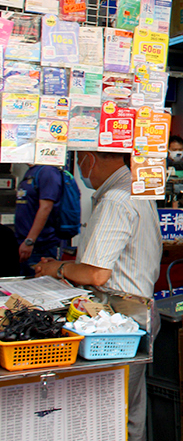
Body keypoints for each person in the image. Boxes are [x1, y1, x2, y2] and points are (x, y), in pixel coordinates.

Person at [34, 151, 162, 441]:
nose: (79, 168)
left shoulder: (116, 199)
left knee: (112, 412)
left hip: (122, 320)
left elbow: (96, 275)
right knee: (129, 409)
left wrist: (57, 268)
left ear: (89, 158)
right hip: (136, 311)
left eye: (79, 160)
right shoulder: (133, 187)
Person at [14, 164, 66, 275]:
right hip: (23, 242)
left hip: (39, 246)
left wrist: (30, 241)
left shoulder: (48, 171)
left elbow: (46, 207)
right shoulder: (32, 172)